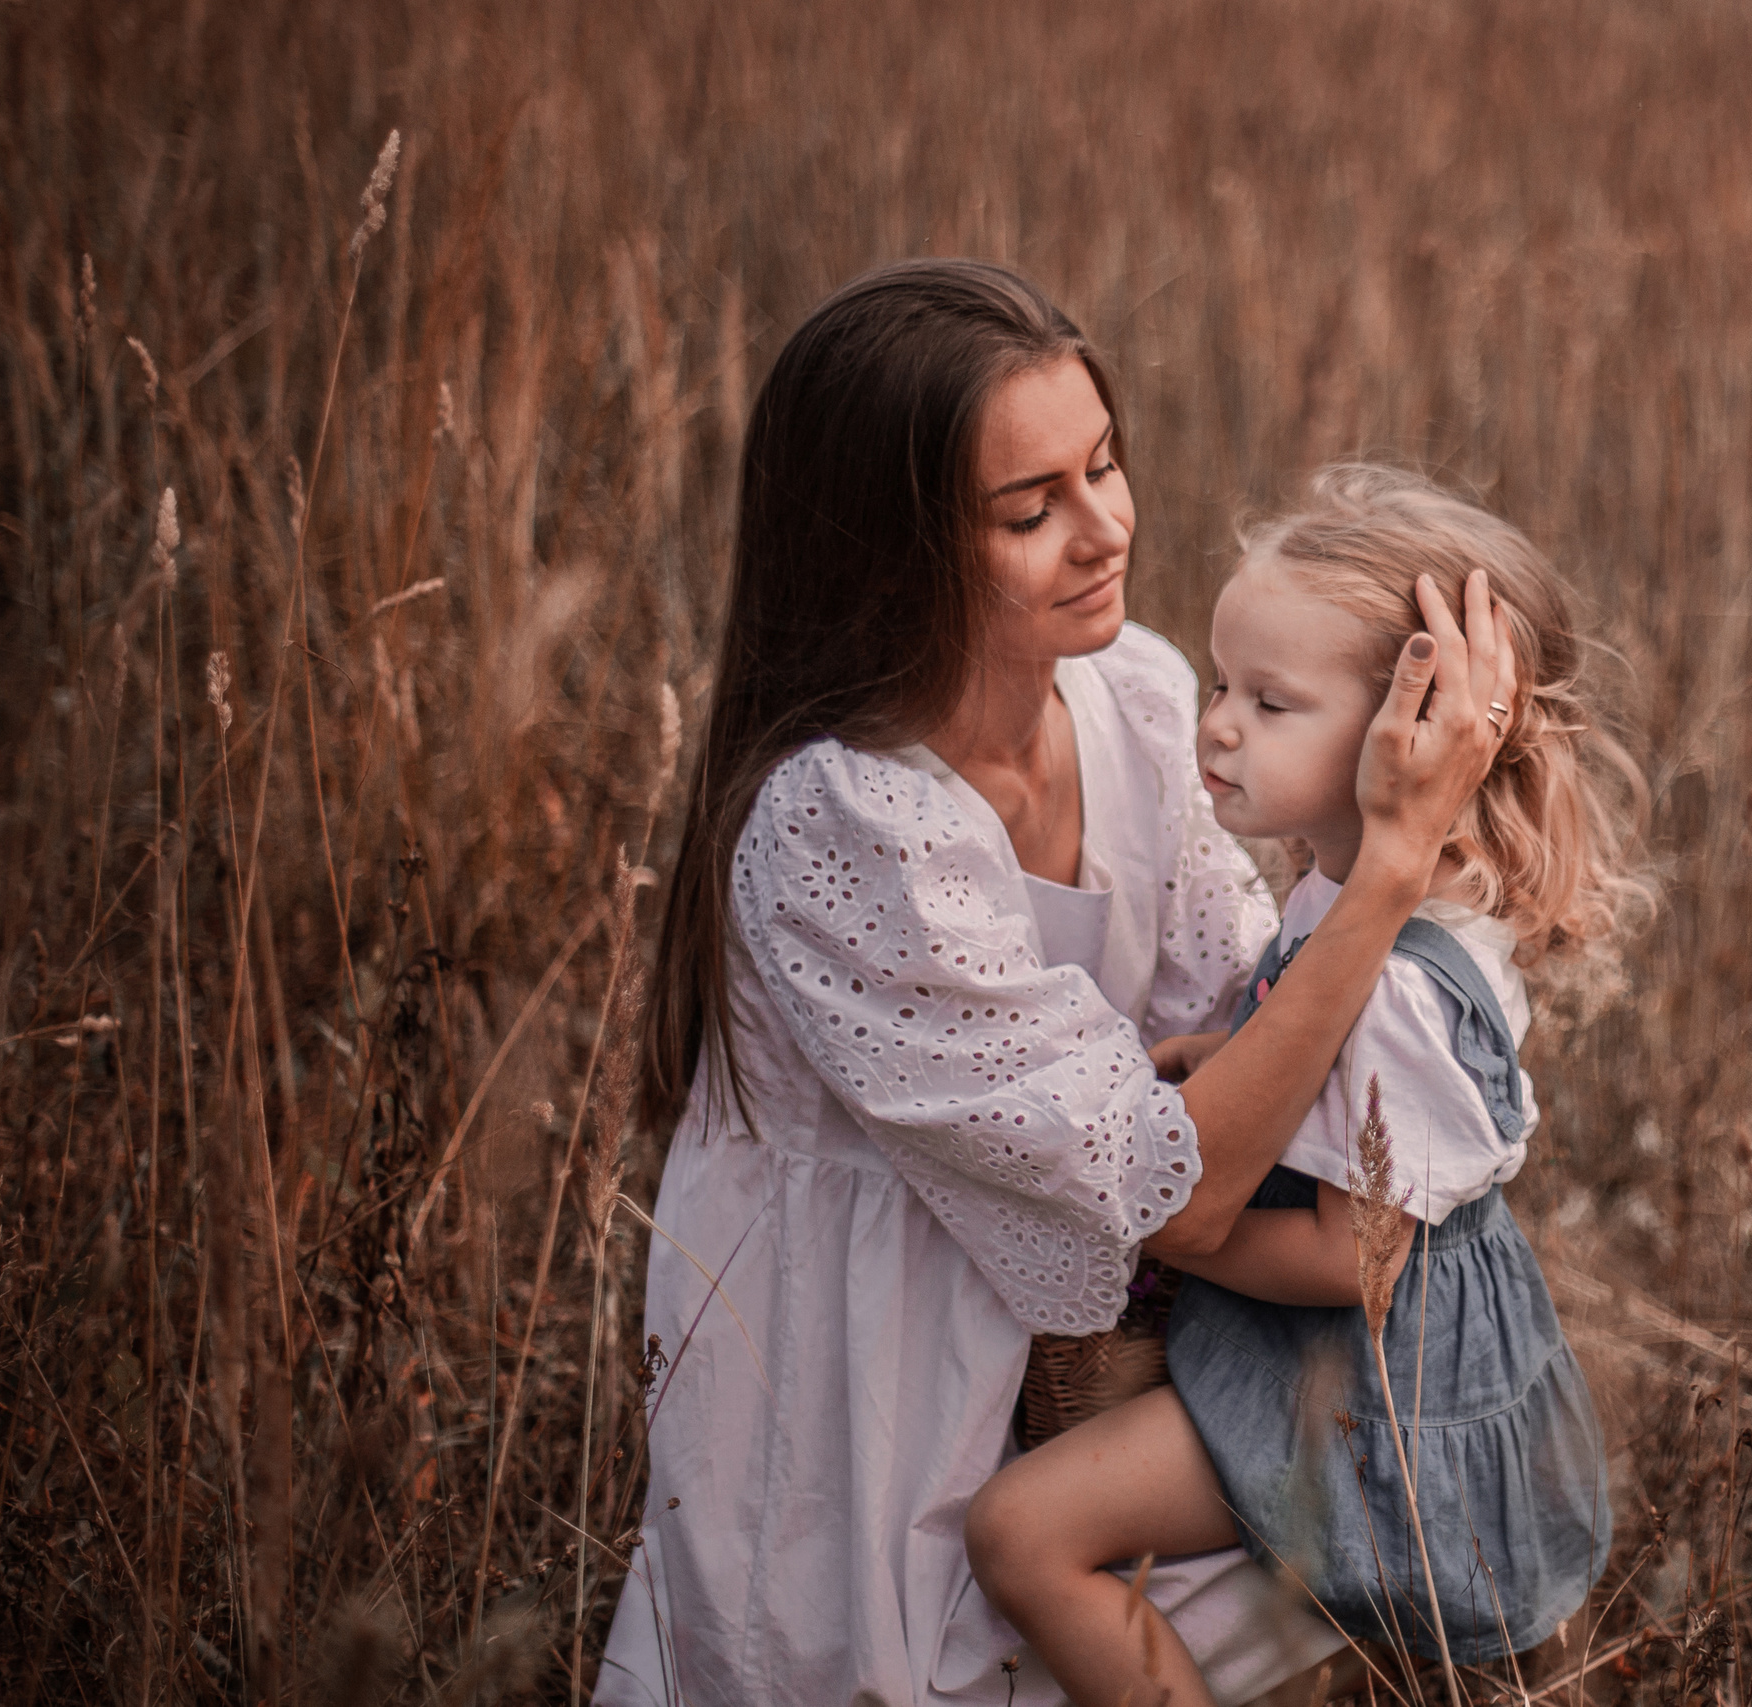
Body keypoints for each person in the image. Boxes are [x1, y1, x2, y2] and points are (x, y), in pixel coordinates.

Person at [592, 265, 1516, 1707]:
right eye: (1031, 510)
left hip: (1112, 1349)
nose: (1106, 529)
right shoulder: (846, 823)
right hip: (878, 1368)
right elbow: (1191, 1186)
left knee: (1234, 1624)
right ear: (889, 553)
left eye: (1104, 464)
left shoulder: (1139, 693)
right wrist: (1391, 866)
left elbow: (1255, 1030)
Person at [964, 465, 1638, 1704]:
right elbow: (1313, 1055)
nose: (1215, 724)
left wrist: (1160, 1232)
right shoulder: (1341, 885)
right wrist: (1218, 1062)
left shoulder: (1403, 980)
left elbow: (1354, 1257)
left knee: (1022, 1534)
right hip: (1308, 1332)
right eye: (1223, 685)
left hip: (1368, 1374)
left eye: (1272, 704)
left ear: (1414, 742)